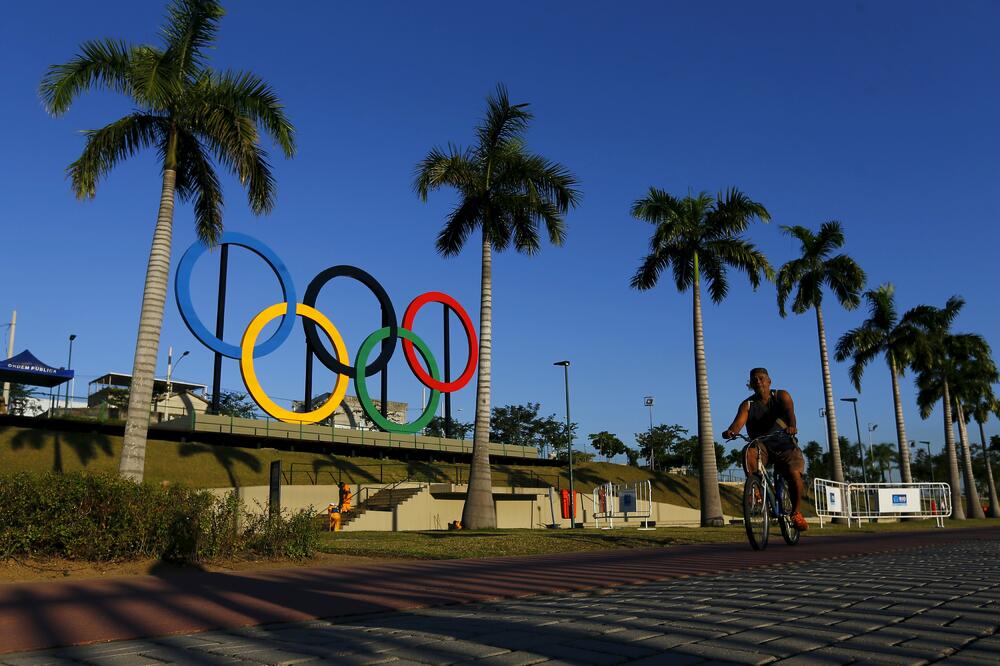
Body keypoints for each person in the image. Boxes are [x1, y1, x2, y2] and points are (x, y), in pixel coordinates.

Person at [722, 367, 809, 531]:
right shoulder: (747, 405)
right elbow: (737, 424)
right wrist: (731, 432)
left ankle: (796, 513)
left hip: (784, 443)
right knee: (749, 450)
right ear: (750, 384)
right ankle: (756, 489)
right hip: (762, 445)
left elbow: (791, 414)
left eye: (762, 378)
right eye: (754, 379)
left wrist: (792, 427)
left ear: (769, 381)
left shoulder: (782, 396)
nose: (758, 381)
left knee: (794, 475)